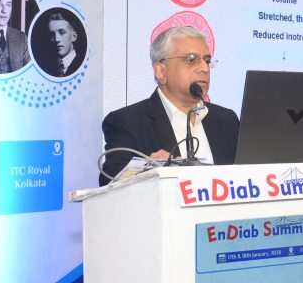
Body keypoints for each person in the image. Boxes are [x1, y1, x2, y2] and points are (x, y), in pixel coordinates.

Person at [99, 25, 238, 183]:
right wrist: (145, 170)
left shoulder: (227, 120)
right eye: (191, 60)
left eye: (207, 60)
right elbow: (108, 182)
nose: (205, 68)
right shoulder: (127, 122)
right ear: (161, 72)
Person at [45, 11, 82, 77]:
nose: (56, 39)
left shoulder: (83, 65)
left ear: (74, 36)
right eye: (52, 34)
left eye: (62, 32)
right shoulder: (47, 68)